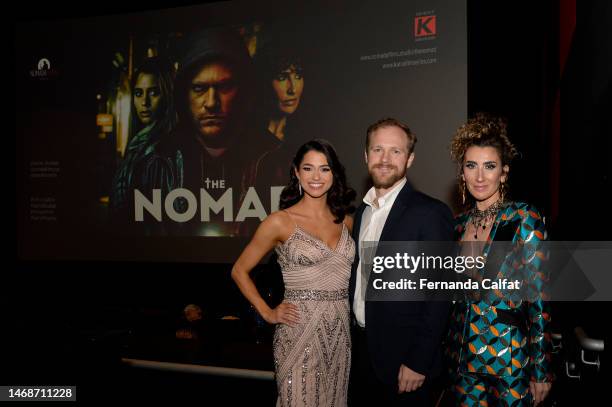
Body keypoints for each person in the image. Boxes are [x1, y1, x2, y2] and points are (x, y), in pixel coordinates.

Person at [231, 139, 356, 406]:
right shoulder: (280, 221)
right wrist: (268, 312)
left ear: (334, 174)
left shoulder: (346, 221)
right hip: (299, 334)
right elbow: (239, 270)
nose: (316, 177)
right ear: (297, 173)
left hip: (340, 335)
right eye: (308, 168)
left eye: (325, 169)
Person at [446, 113, 553, 406]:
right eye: (471, 166)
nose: (480, 176)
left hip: (510, 362)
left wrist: (541, 370)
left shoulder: (522, 218)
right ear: (462, 172)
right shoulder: (455, 225)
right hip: (461, 363)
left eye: (489, 166)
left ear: (503, 172)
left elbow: (539, 299)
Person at [348, 117, 454, 406]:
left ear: (409, 159)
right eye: (378, 149)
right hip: (362, 356)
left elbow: (440, 294)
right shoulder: (362, 213)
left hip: (405, 364)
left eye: (395, 151)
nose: (385, 159)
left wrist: (418, 361)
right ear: (366, 156)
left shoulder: (430, 213)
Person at [136, 27, 267, 236]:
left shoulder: (274, 157)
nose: (211, 103)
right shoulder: (156, 164)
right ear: (184, 95)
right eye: (199, 89)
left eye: (224, 87)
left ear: (243, 91)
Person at [110, 56, 176, 220]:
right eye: (138, 93)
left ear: (167, 95)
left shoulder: (159, 153)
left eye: (153, 92)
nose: (144, 102)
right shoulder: (138, 145)